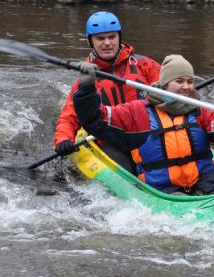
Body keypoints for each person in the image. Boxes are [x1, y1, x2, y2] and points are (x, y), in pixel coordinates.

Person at [73, 54, 214, 195]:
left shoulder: (201, 110)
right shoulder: (138, 111)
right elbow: (97, 119)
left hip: (207, 180)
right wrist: (87, 90)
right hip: (163, 188)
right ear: (165, 84)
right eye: (179, 81)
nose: (186, 87)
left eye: (190, 81)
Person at [53, 11, 160, 167]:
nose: (107, 43)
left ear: (119, 37)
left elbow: (173, 87)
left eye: (112, 37)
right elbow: (69, 115)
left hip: (147, 133)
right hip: (110, 140)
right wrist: (63, 139)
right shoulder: (86, 80)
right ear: (91, 42)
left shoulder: (143, 64)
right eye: (100, 38)